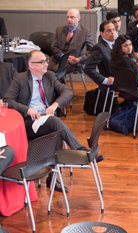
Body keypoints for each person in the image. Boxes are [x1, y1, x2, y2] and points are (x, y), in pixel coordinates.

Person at [4, 50, 93, 192]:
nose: (46, 64)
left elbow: (67, 91)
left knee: (55, 129)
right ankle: (80, 151)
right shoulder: (20, 79)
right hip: (29, 122)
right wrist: (27, 109)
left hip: (46, 121)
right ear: (31, 65)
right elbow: (7, 100)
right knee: (55, 122)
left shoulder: (50, 76)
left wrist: (54, 105)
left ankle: (53, 179)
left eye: (46, 60)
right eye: (42, 62)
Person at [48, 8, 95, 74]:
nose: (69, 19)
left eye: (72, 17)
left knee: (55, 72)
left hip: (72, 60)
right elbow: (53, 47)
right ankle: (60, 84)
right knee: (45, 70)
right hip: (57, 57)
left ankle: (59, 84)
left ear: (78, 18)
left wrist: (79, 59)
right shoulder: (59, 29)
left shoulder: (85, 32)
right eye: (68, 17)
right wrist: (62, 56)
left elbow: (92, 51)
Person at [110, 35, 138, 100]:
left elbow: (137, 71)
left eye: (130, 45)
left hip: (124, 89)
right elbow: (136, 83)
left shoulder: (117, 59)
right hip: (134, 91)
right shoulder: (125, 61)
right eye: (126, 45)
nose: (129, 47)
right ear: (120, 47)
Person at [84, 20, 117, 90]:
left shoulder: (117, 44)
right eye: (109, 30)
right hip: (114, 82)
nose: (113, 32)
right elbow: (88, 69)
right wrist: (105, 80)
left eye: (113, 29)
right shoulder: (99, 48)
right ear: (102, 34)